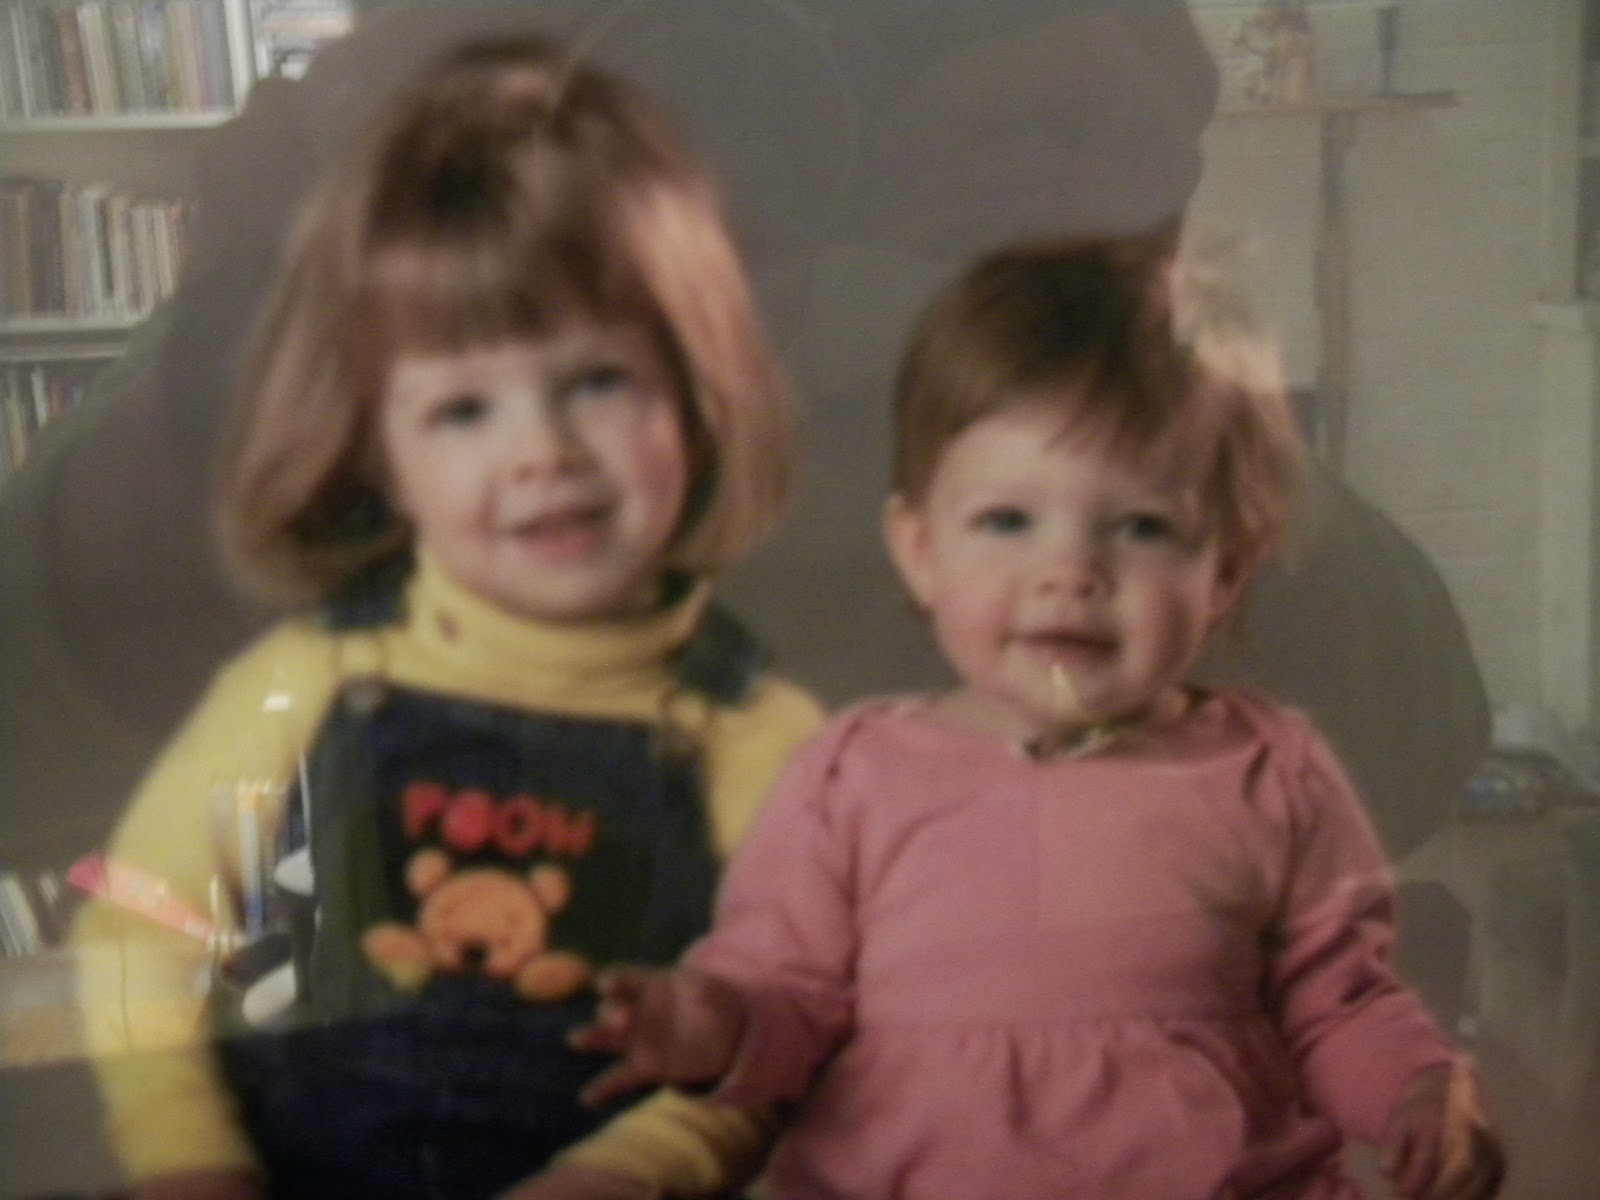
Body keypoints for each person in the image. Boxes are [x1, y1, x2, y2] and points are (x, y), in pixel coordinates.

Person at [560, 237, 1508, 1200]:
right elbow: (785, 991)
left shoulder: (1271, 775)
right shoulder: (851, 779)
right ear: (920, 550)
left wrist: (1418, 1091)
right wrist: (714, 1023)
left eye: (1140, 526)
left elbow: (1338, 1006)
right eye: (1008, 521)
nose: (1071, 573)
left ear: (1225, 569)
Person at [69, 36, 824, 1200]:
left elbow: (777, 1032)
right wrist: (185, 1157)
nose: (542, 453)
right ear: (377, 448)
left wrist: (639, 1170)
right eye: (464, 409)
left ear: (697, 392)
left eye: (597, 381)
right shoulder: (303, 680)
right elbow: (141, 927)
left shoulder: (753, 731)